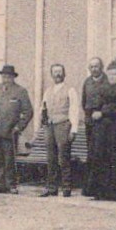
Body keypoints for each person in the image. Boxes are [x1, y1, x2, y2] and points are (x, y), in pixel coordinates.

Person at [0, 64, 33, 194]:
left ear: (13, 77)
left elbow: (28, 111)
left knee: (9, 159)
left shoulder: (20, 91)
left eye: (8, 76)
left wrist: (19, 126)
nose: (5, 79)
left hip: (10, 131)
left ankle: (12, 185)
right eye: (3, 76)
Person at [87, 62, 116, 200]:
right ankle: (100, 191)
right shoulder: (104, 87)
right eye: (110, 74)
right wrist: (96, 111)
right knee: (100, 157)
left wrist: (103, 111)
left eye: (115, 74)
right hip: (102, 128)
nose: (112, 77)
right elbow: (96, 103)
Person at [39, 63, 82, 197]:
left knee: (63, 158)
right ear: (51, 75)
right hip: (50, 126)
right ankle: (51, 187)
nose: (57, 74)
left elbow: (74, 110)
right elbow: (43, 107)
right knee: (51, 158)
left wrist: (73, 129)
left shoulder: (70, 90)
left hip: (63, 125)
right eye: (55, 72)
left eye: (60, 72)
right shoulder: (48, 90)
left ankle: (66, 187)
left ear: (64, 74)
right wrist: (43, 120)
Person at [79, 58, 107, 197]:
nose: (94, 69)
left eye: (96, 66)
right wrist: (88, 117)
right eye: (91, 67)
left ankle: (101, 189)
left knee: (101, 154)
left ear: (102, 67)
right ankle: (90, 188)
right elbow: (84, 102)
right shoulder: (87, 82)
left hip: (103, 120)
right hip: (90, 121)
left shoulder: (107, 81)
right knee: (91, 154)